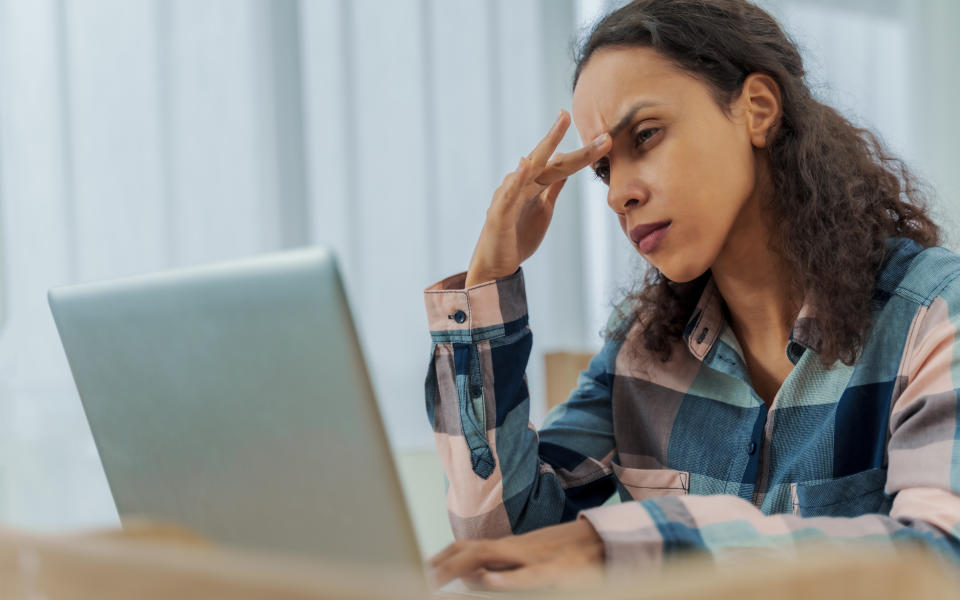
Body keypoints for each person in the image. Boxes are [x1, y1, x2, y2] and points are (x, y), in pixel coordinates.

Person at [422, 0, 960, 590]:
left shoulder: (932, 314)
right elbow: (500, 541)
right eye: (604, 170)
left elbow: (939, 558)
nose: (618, 194)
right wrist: (487, 281)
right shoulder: (642, 348)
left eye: (646, 136)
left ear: (757, 110)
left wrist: (643, 545)